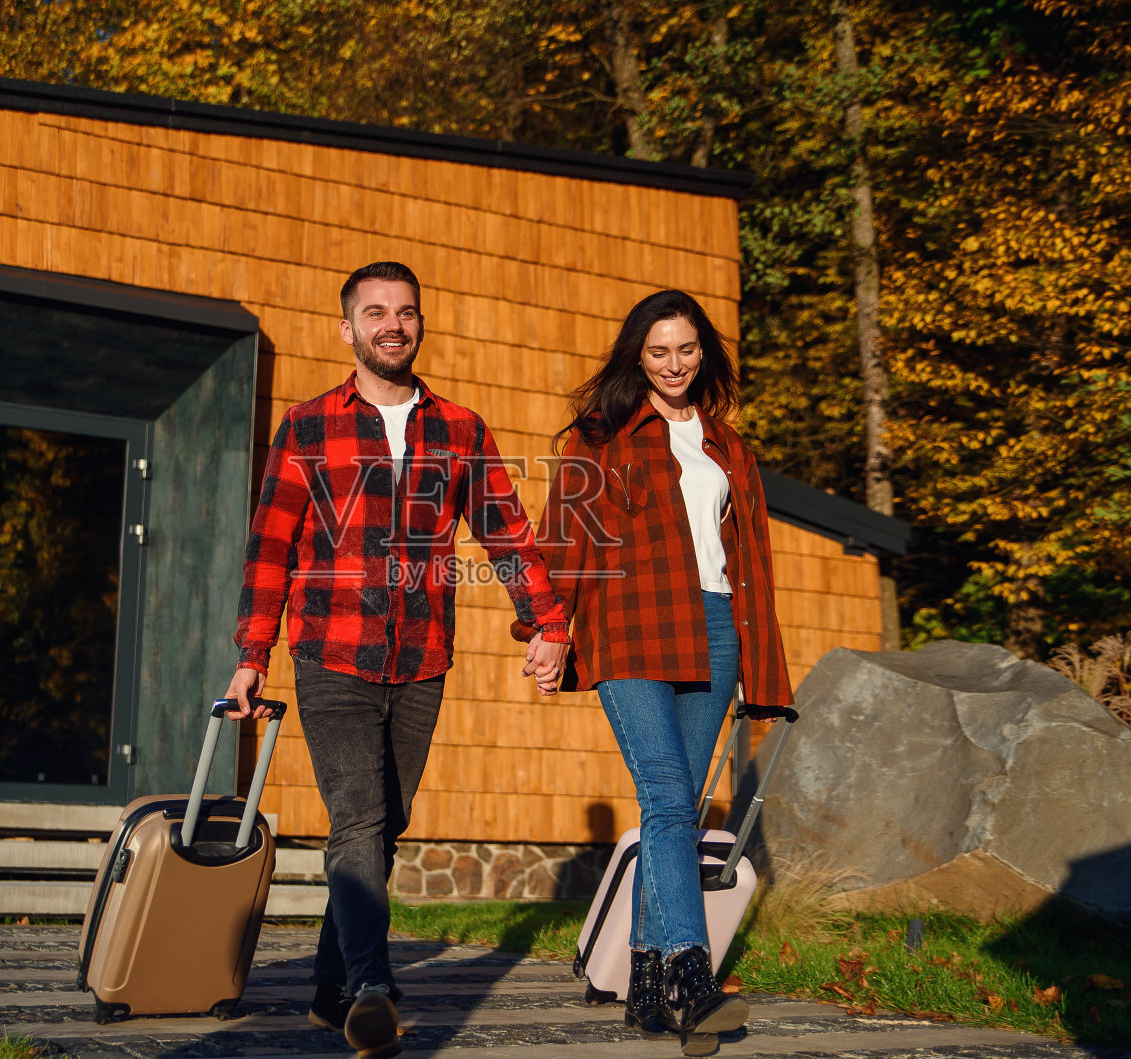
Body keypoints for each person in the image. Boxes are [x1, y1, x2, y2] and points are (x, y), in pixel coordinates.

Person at [224, 260, 569, 1059]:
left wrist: (546, 621)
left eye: (406, 312)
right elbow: (270, 545)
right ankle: (370, 990)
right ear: (347, 328)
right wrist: (253, 653)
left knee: (388, 824)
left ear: (419, 324)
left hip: (421, 659)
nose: (393, 324)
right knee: (360, 818)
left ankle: (323, 987)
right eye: (375, 311)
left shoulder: (461, 429)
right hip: (330, 652)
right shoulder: (309, 428)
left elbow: (506, 533)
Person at [527, 289, 793, 1056]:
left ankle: (644, 983)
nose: (673, 365)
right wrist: (547, 631)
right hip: (630, 630)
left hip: (713, 631)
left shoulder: (728, 446)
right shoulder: (599, 434)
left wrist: (758, 660)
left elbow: (752, 564)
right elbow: (565, 542)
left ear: (702, 352)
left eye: (685, 350)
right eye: (657, 352)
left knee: (671, 808)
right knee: (670, 794)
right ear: (635, 357)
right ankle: (689, 970)